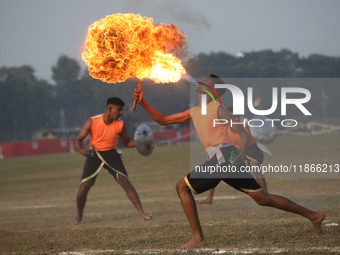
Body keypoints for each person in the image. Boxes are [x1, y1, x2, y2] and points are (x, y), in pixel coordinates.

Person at [133, 74, 325, 249]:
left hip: (224, 157)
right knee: (262, 199)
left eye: (207, 81)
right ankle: (313, 216)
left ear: (213, 90)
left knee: (182, 188)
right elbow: (164, 120)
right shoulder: (194, 111)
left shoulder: (218, 108)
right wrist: (143, 103)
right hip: (224, 159)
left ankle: (198, 238)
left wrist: (242, 150)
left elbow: (241, 131)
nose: (202, 80)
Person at [74, 97, 152, 224]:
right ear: (110, 108)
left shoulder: (120, 125)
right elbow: (78, 140)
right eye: (119, 109)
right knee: (84, 187)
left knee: (125, 182)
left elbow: (127, 142)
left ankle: (142, 214)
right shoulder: (93, 121)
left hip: (112, 153)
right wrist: (82, 150)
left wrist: (140, 143)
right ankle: (79, 215)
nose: (121, 113)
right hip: (95, 154)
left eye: (121, 110)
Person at [197, 106, 268, 205]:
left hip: (253, 150)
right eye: (233, 116)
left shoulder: (246, 125)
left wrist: (265, 133)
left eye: (237, 115)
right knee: (216, 169)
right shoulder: (224, 130)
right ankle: (209, 198)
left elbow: (261, 132)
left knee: (255, 167)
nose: (236, 118)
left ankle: (266, 195)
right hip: (237, 152)